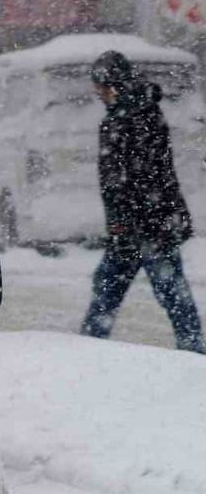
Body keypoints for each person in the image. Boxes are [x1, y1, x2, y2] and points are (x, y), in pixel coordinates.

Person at [80, 50, 206, 353]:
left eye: (101, 87)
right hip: (151, 221)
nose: (98, 94)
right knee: (165, 289)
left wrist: (124, 223)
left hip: (143, 225)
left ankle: (88, 348)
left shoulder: (125, 120)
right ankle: (193, 347)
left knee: (120, 288)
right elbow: (154, 174)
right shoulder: (144, 112)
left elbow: (129, 179)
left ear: (112, 85)